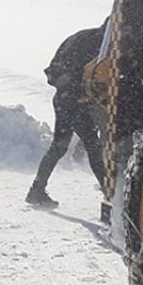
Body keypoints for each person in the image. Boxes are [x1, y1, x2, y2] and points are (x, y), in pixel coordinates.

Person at [27, 25, 108, 207]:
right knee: (92, 146)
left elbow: (54, 69)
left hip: (64, 98)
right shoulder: (99, 44)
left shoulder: (79, 37)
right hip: (75, 100)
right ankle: (109, 195)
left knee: (60, 146)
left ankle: (36, 190)